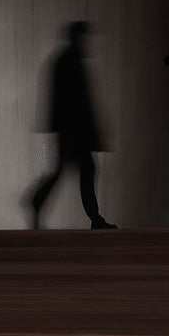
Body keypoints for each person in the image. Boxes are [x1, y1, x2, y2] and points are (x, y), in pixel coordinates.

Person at [29, 21, 117, 230]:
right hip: (74, 131)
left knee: (67, 171)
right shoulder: (71, 62)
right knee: (86, 169)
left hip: (69, 130)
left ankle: (37, 202)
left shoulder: (65, 61)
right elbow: (80, 103)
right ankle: (94, 218)